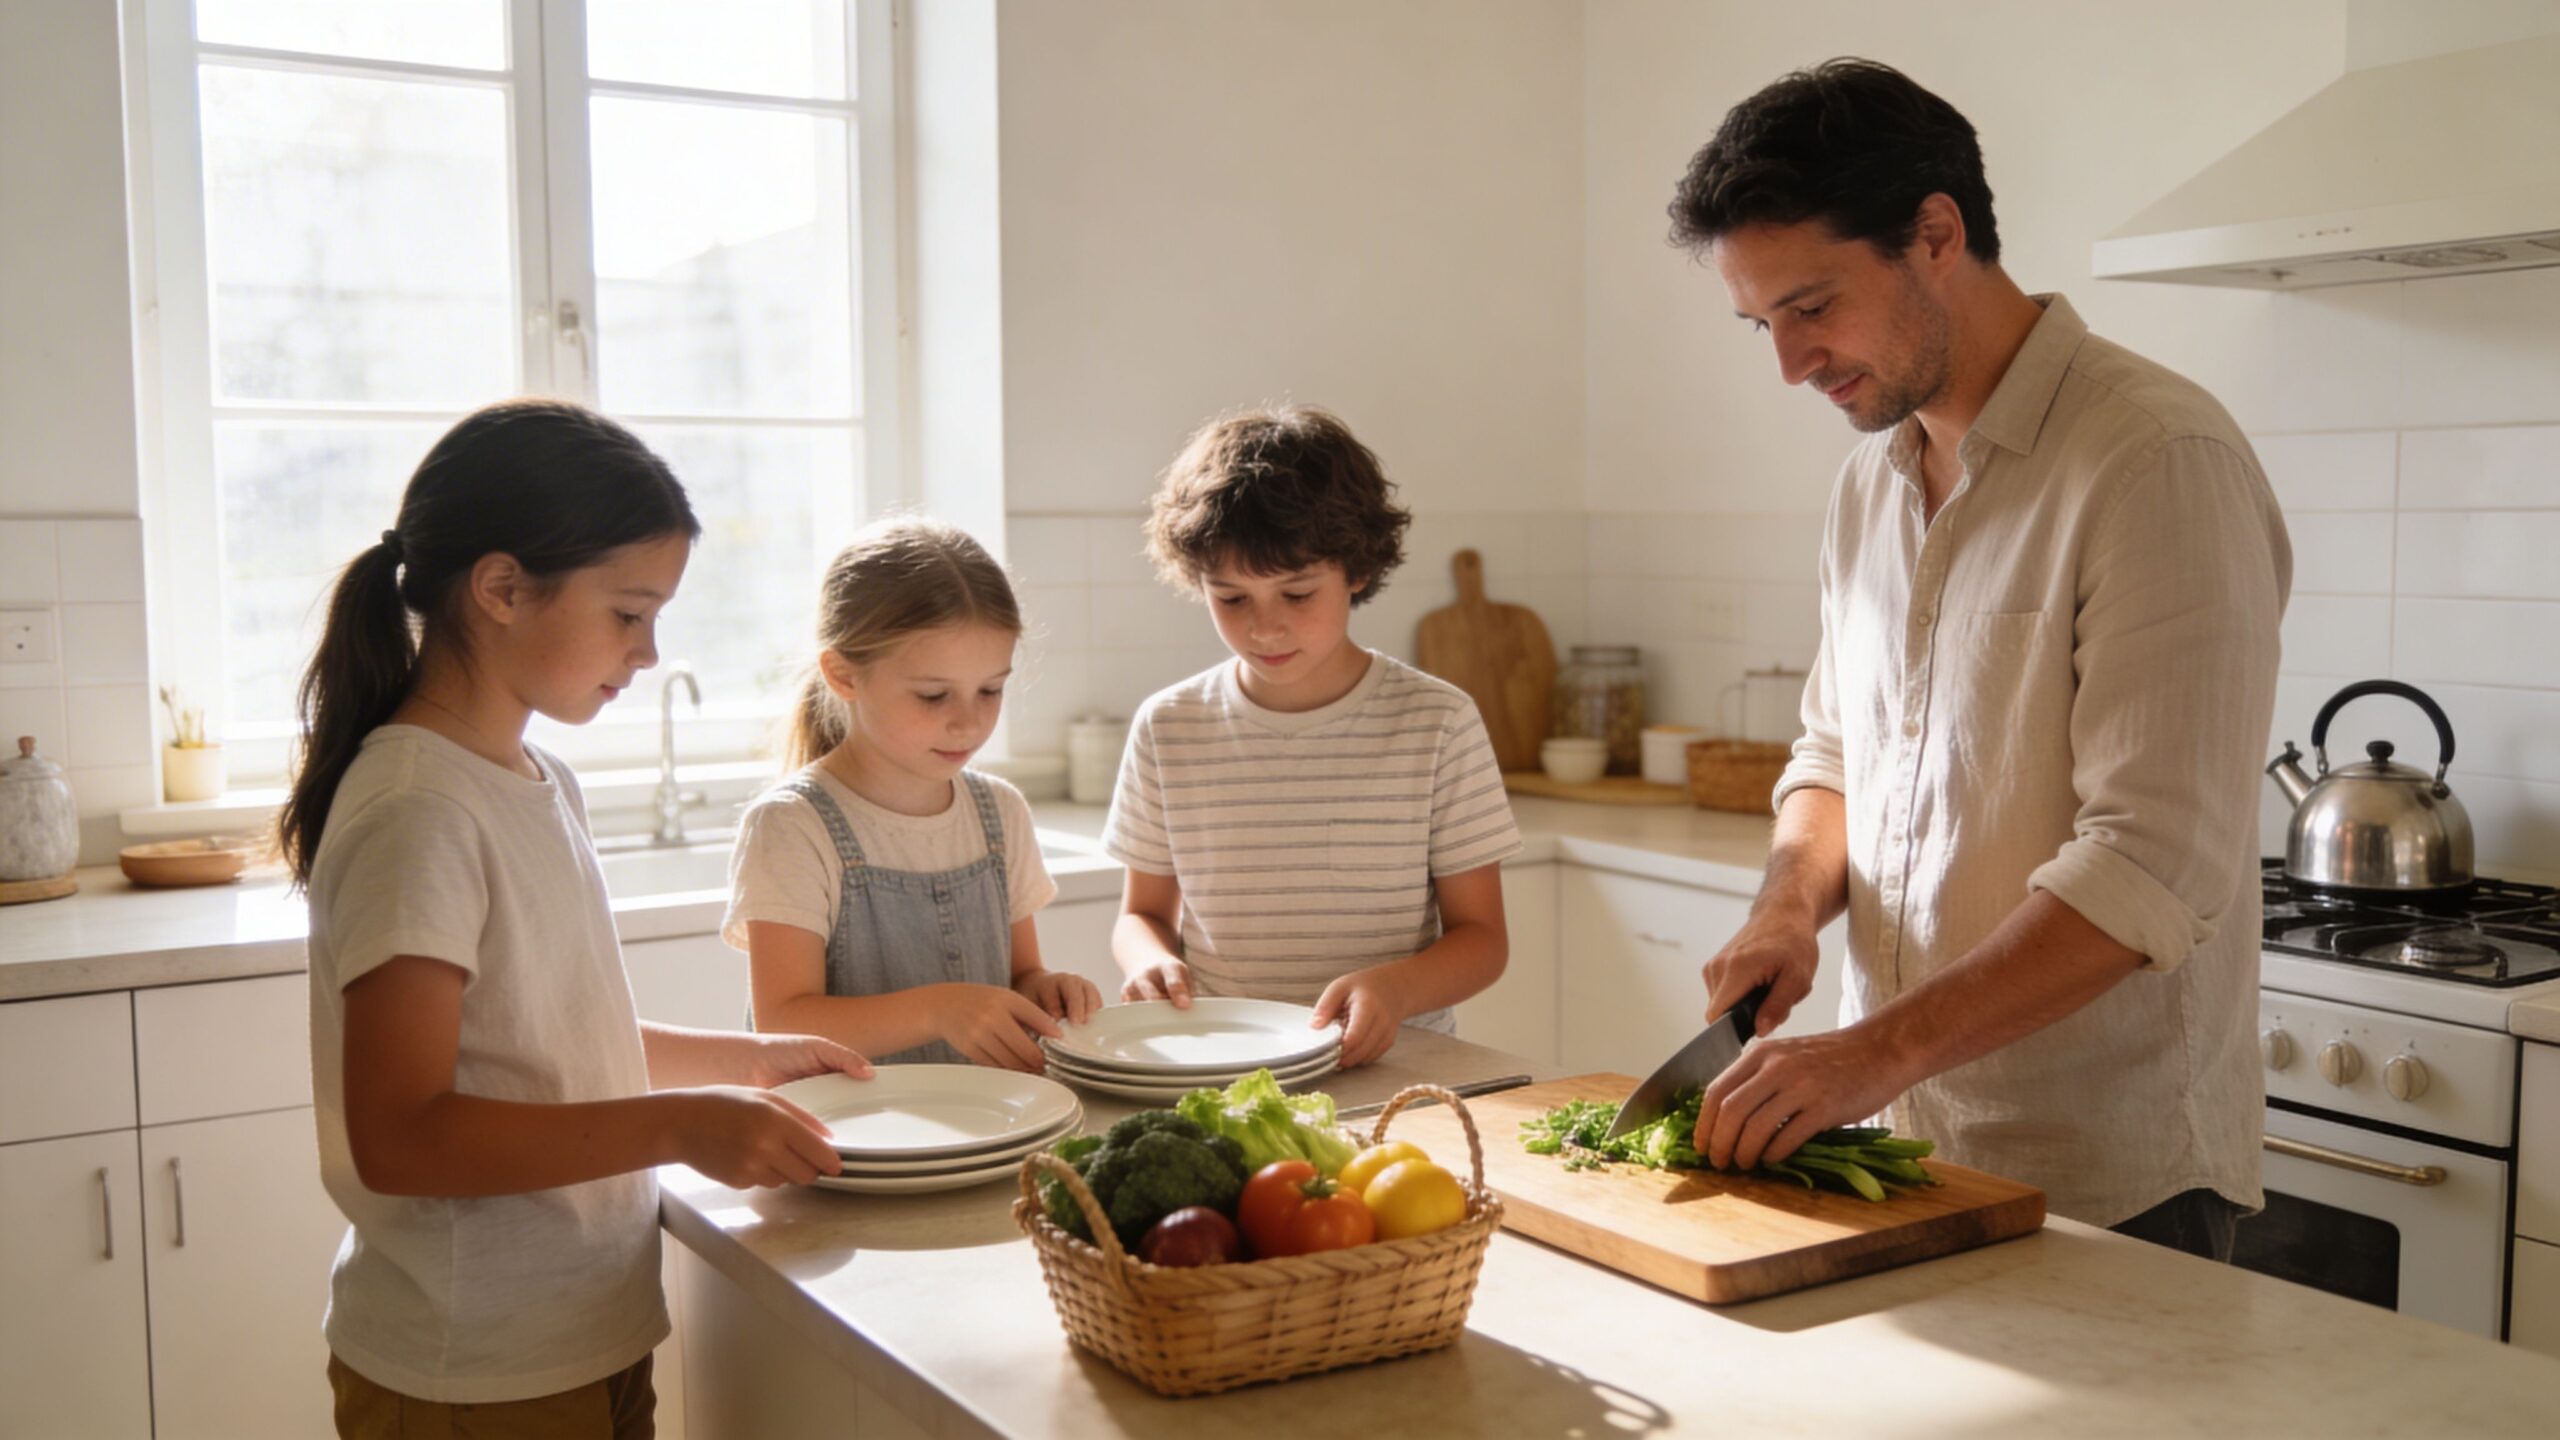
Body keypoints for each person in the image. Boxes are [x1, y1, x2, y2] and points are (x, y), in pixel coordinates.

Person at [1665, 59, 2291, 1258]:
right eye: (1764, 324)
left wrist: (1874, 1049)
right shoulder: (1869, 483)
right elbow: (1836, 748)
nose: (1790, 365)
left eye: (1810, 306)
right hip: (1892, 1149)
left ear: (1935, 232)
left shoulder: (2154, 460)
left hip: (2102, 1183)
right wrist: (1788, 906)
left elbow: (2151, 866)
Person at [283, 399, 869, 1437]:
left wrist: (740, 1061)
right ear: (501, 588)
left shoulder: (534, 776)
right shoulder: (421, 809)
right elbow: (401, 1137)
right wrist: (682, 1124)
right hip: (471, 1369)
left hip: (580, 1328)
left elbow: (541, 1044)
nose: (646, 652)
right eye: (628, 612)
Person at [1104, 405, 1522, 1068]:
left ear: (1356, 571)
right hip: (1224, 1066)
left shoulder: (1436, 722)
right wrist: (1150, 960)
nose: (1264, 628)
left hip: (1399, 1068)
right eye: (1232, 598)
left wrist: (1396, 986)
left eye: (1297, 595)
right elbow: (1142, 914)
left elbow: (1482, 939)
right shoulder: (1168, 727)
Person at [725, 518, 1101, 1071]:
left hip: (989, 1125)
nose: (968, 723)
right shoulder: (792, 826)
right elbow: (784, 1021)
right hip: (855, 1143)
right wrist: (935, 1010)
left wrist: (1048, 988)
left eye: (990, 690)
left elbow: (1022, 975)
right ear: (843, 675)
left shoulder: (1000, 812)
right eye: (933, 695)